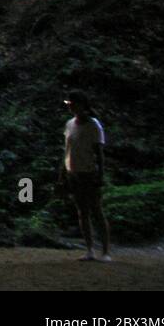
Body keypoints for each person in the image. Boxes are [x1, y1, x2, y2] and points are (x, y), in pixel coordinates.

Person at [61, 90, 112, 262]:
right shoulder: (69, 124)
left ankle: (105, 251)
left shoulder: (93, 125)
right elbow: (67, 150)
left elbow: (99, 153)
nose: (70, 107)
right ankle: (89, 249)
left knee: (96, 211)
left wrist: (100, 174)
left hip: (89, 173)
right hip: (73, 172)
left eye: (72, 103)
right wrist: (63, 172)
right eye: (68, 104)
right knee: (82, 212)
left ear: (82, 105)